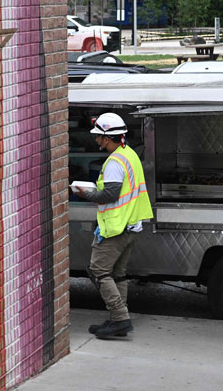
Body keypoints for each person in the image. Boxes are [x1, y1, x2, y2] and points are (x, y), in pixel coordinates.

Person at [73, 113, 153, 339]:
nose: (96, 140)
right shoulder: (128, 154)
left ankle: (119, 318)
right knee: (117, 273)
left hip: (116, 227)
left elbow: (110, 194)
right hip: (131, 224)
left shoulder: (114, 162)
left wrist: (85, 193)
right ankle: (119, 316)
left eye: (98, 136)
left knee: (98, 270)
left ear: (107, 138)